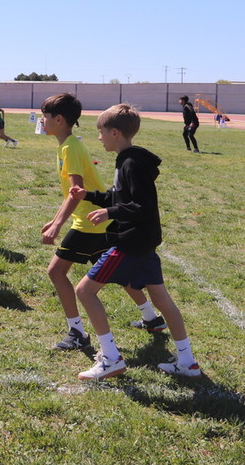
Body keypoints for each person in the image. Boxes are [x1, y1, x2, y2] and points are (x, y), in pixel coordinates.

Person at [70, 104, 201, 380]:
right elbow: (120, 198)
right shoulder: (129, 160)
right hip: (143, 243)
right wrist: (90, 196)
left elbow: (141, 206)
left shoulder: (130, 163)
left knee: (84, 292)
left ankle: (110, 359)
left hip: (130, 244)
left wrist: (110, 212)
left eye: (101, 132)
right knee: (162, 300)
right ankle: (187, 361)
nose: (99, 138)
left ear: (115, 132)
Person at [40, 94, 162, 353]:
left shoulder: (71, 147)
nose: (42, 120)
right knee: (116, 271)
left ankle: (77, 333)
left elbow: (77, 190)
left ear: (59, 120)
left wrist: (57, 224)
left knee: (56, 272)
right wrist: (57, 218)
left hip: (90, 221)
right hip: (96, 219)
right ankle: (151, 317)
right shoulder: (67, 145)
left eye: (45, 116)